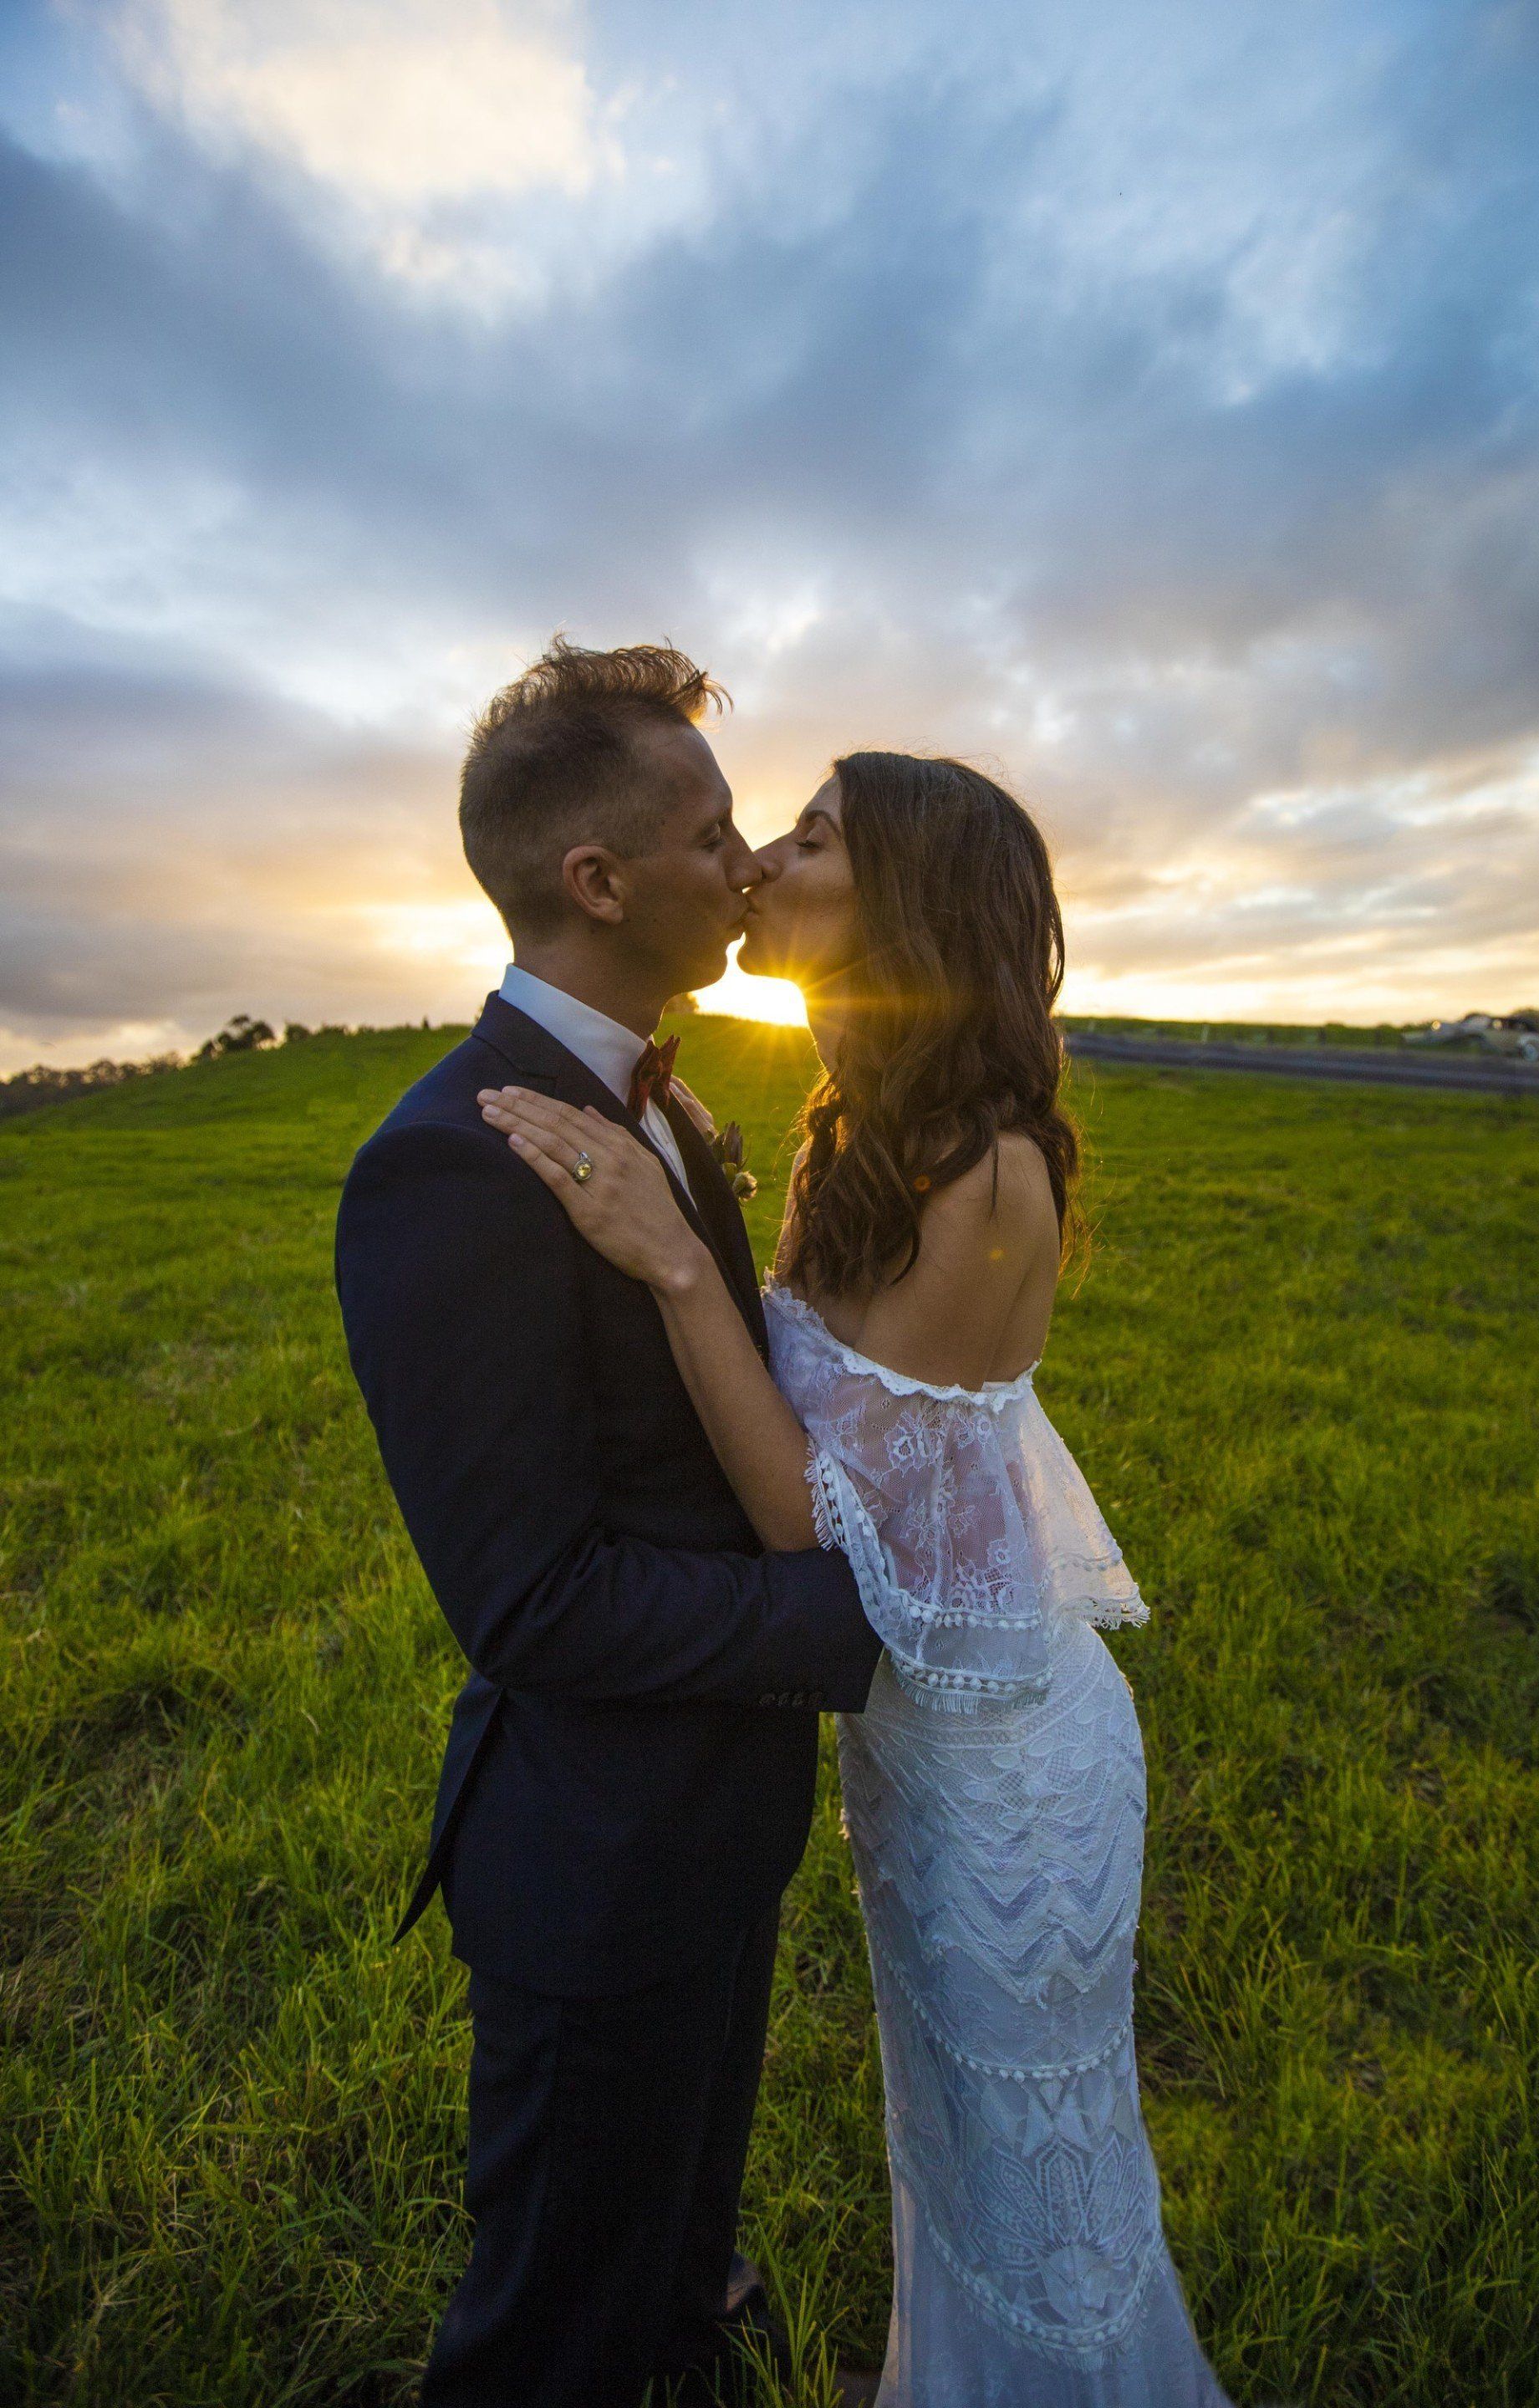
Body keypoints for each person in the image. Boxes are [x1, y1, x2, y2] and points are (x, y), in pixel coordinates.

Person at [480, 751, 1235, 2405]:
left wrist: (680, 1265)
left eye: (808, 839)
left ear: (895, 905)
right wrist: (702, 1182)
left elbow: (827, 1549)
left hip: (1005, 1782)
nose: (760, 859)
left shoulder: (987, 1174)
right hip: (921, 1756)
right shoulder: (869, 1130)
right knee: (955, 2181)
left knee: (1045, 2218)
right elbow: (833, 1380)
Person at [334, 640, 884, 2408]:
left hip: (716, 1834)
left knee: (670, 2277)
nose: (745, 863)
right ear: (598, 878)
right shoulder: (449, 1166)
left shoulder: (655, 1096)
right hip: (594, 1865)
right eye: (713, 829)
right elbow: (530, 1596)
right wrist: (836, 1624)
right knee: (547, 2338)